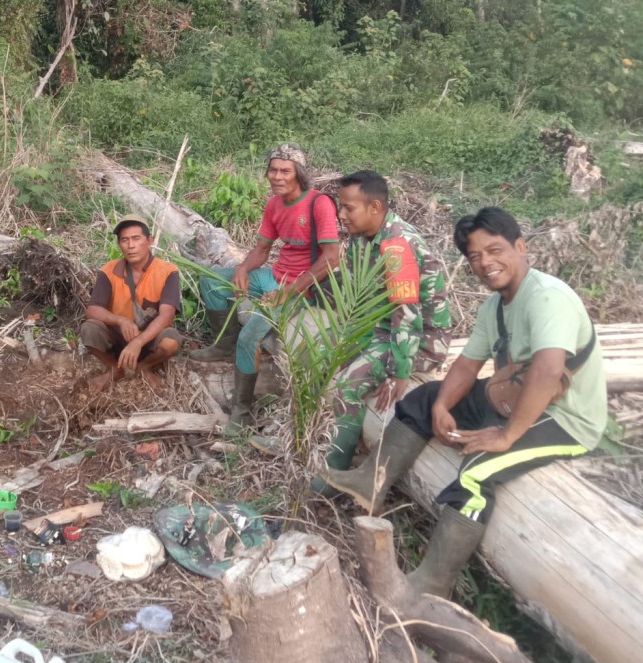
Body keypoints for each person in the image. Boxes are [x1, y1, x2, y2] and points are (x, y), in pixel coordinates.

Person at [322, 206, 606, 598]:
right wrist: (441, 406)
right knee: (423, 397)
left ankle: (434, 583)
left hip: (564, 418)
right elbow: (468, 364)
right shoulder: (494, 306)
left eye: (495, 250)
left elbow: (547, 371)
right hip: (516, 398)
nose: (485, 263)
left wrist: (507, 436)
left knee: (476, 471)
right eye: (475, 257)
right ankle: (370, 484)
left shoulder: (547, 298)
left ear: (520, 247)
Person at [251, 170, 452, 489]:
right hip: (374, 325)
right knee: (309, 353)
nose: (341, 215)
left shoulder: (397, 245)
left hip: (416, 338)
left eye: (348, 208)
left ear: (374, 206)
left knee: (348, 385)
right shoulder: (360, 239)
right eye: (339, 207)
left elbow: (407, 313)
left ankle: (334, 473)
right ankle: (297, 436)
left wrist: (400, 370)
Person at [190, 143, 341, 430]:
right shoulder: (274, 204)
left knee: (252, 334)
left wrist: (290, 290)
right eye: (273, 169)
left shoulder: (318, 204)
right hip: (274, 275)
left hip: (304, 289)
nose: (277, 176)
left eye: (285, 170)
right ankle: (224, 344)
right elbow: (261, 250)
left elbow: (332, 258)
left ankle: (241, 412)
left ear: (299, 174)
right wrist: (244, 269)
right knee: (211, 280)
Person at [81, 214, 182, 393]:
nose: (131, 245)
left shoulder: (168, 271)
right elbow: (93, 309)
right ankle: (115, 368)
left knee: (171, 341)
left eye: (136, 238)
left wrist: (139, 341)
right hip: (117, 338)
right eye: (124, 240)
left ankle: (145, 367)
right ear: (119, 244)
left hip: (149, 340)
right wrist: (121, 321)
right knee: (89, 329)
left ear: (149, 240)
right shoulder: (109, 270)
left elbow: (167, 316)